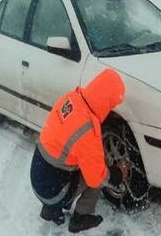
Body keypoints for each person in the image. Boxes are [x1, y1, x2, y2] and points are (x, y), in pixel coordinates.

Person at [30, 69, 128, 233]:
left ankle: (49, 208)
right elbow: (97, 178)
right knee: (98, 173)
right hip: (52, 191)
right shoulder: (87, 131)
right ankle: (80, 218)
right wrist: (119, 173)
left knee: (71, 161)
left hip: (37, 178)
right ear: (107, 100)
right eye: (112, 104)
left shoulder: (72, 98)